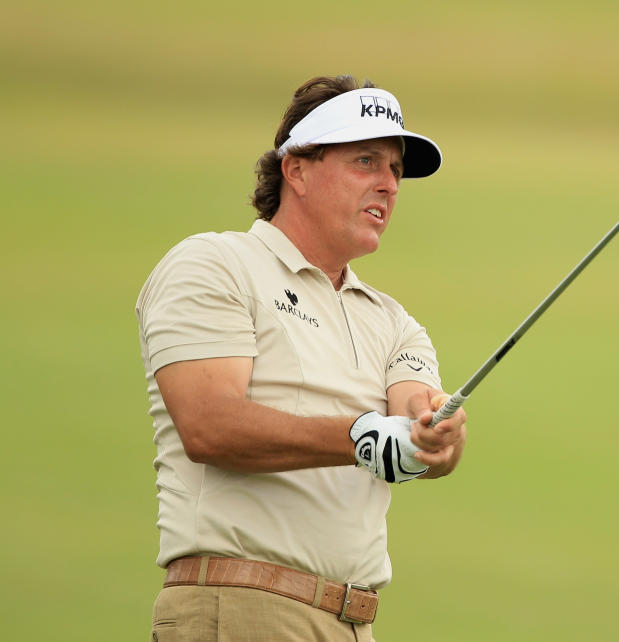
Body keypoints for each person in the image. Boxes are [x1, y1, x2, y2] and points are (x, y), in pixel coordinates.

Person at [136, 74, 467, 641]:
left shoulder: (391, 319)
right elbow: (209, 425)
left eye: (395, 169)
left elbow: (417, 414)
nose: (388, 184)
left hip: (351, 622)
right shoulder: (216, 264)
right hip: (240, 604)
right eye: (365, 161)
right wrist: (363, 436)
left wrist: (433, 435)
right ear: (297, 169)